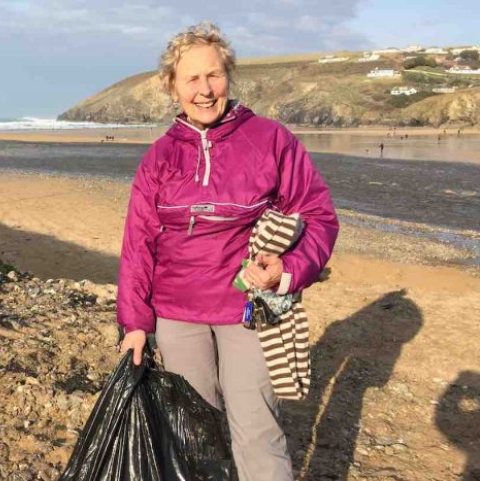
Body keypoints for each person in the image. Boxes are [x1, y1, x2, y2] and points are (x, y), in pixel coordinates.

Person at [116, 22, 338, 481]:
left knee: (258, 430)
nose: (205, 89)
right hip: (177, 316)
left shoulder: (270, 139)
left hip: (249, 309)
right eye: (192, 79)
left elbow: (319, 216)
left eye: (214, 75)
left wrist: (288, 269)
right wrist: (136, 323)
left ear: (229, 76)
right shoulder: (158, 157)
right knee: (193, 434)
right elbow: (138, 245)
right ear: (172, 87)